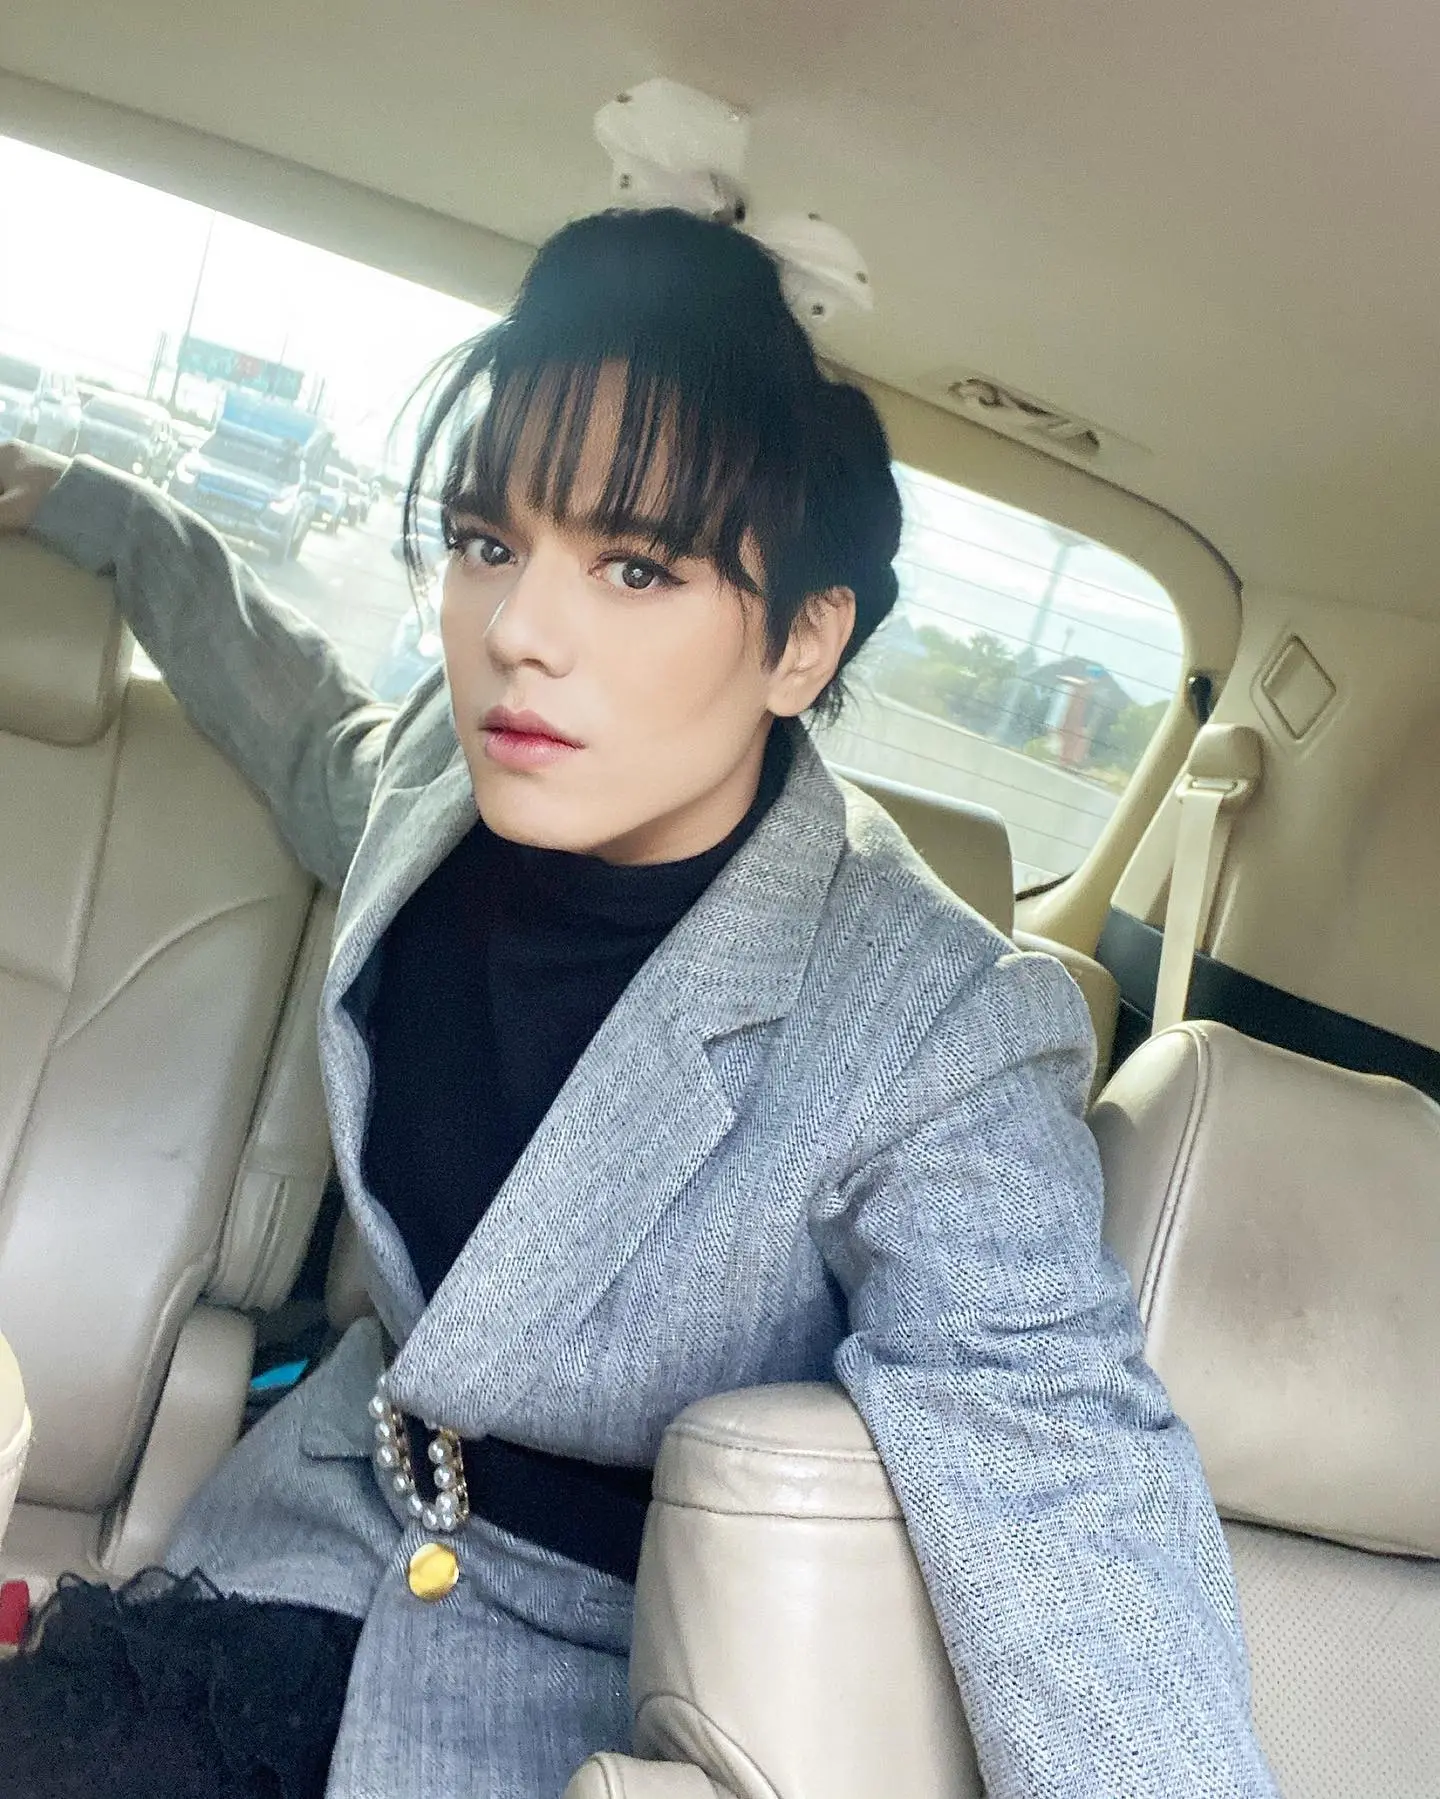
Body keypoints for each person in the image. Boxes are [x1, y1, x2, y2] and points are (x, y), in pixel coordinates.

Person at [0, 207, 1278, 1799]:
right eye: (487, 542)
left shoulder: (934, 1020)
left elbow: (1054, 1466)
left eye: (635, 565)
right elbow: (298, 722)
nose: (517, 633)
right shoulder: (437, 777)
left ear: (802, 642)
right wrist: (104, 514)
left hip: (596, 1687)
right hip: (302, 1551)